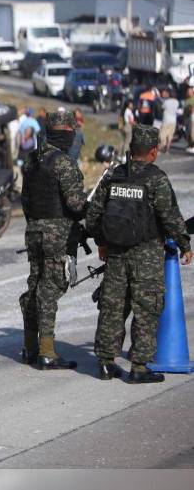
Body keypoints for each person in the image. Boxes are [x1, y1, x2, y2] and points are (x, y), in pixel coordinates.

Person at [87, 125, 192, 382]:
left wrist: (102, 242)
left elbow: (93, 215)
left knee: (113, 306)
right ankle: (139, 367)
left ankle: (105, 363)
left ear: (132, 148)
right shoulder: (156, 179)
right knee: (146, 307)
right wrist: (185, 245)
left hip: (116, 253)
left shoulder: (114, 176)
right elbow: (170, 216)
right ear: (153, 151)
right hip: (147, 255)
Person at [19, 110, 87, 370]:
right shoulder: (64, 163)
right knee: (50, 289)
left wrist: (36, 224)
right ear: (67, 133)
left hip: (34, 231)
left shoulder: (31, 160)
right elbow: (75, 205)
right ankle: (47, 352)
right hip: (57, 233)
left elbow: (25, 200)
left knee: (35, 286)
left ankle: (30, 348)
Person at [159, 87, 179, 154]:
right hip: (173, 121)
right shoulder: (177, 102)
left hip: (166, 120)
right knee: (170, 136)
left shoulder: (166, 102)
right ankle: (167, 150)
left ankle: (160, 148)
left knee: (162, 135)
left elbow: (162, 109)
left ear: (169, 95)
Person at [183, 85, 194, 155]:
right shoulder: (186, 100)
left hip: (192, 117)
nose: (188, 93)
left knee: (192, 133)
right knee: (187, 133)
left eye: (190, 91)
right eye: (187, 91)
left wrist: (191, 109)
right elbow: (184, 110)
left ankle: (193, 146)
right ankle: (190, 145)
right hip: (186, 118)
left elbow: (192, 109)